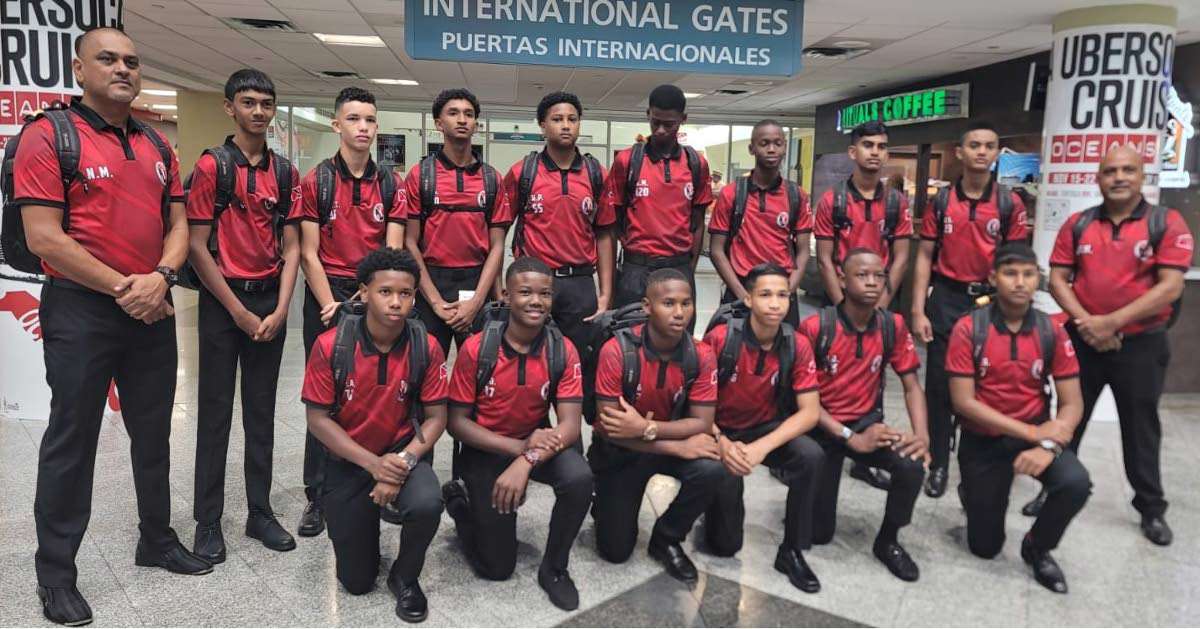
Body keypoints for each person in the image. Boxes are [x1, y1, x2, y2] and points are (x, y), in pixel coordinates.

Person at [15, 27, 211, 626]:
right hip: (82, 310)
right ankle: (56, 574)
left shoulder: (156, 143)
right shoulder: (49, 136)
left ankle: (156, 539)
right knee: (72, 439)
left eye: (132, 60)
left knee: (153, 434)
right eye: (108, 59)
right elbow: (44, 238)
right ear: (80, 69)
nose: (123, 69)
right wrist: (129, 288)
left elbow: (178, 225)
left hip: (152, 306)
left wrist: (161, 277)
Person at [1045, 145, 1191, 546]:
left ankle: (1151, 508)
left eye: (1128, 169)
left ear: (1142, 176)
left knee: (1140, 428)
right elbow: (1057, 279)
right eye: (1110, 171)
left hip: (1141, 345)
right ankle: (1053, 490)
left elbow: (1170, 287)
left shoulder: (1166, 222)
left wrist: (1110, 323)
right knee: (1069, 420)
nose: (1119, 177)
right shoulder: (1078, 224)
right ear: (1098, 178)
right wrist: (1087, 323)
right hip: (1083, 339)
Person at [186, 69, 302, 563]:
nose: (258, 111)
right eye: (249, 102)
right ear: (230, 107)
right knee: (214, 416)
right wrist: (236, 311)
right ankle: (208, 521)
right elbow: (196, 246)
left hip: (268, 302)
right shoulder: (212, 166)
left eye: (266, 103)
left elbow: (293, 247)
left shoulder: (286, 174)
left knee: (261, 413)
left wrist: (280, 308)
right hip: (222, 303)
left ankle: (260, 512)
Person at [301, 247, 447, 623]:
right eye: (385, 292)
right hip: (349, 460)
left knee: (428, 503)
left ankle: (405, 576)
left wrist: (402, 463)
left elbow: (436, 418)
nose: (396, 302)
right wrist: (373, 466)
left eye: (405, 293)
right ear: (364, 293)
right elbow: (318, 420)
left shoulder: (426, 345)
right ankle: (359, 535)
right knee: (357, 582)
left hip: (401, 454)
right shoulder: (331, 345)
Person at [441, 257, 592, 611]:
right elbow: (456, 423)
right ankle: (462, 507)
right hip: (485, 448)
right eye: (525, 292)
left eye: (545, 294)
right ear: (507, 296)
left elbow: (570, 426)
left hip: (535, 446)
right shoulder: (478, 349)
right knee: (497, 568)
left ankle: (555, 569)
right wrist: (517, 448)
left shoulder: (562, 349)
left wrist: (526, 459)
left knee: (579, 477)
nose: (536, 301)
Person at [948, 243, 1090, 594]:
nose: (1020, 282)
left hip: (1034, 434)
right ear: (993, 278)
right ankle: (973, 492)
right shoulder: (968, 328)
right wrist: (1032, 433)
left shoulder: (1052, 331)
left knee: (1075, 482)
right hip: (982, 440)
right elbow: (963, 402)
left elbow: (1072, 403)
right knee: (985, 548)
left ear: (1037, 280)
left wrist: (1048, 443)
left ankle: (1037, 547)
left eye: (1028, 274)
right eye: (1010, 273)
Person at [297, 86, 407, 537]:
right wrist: (331, 305)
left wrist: (368, 297)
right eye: (354, 119)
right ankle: (318, 496)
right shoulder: (316, 181)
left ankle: (382, 485)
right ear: (336, 124)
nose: (363, 127)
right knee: (324, 400)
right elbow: (308, 252)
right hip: (326, 294)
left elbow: (393, 251)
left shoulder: (391, 184)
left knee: (378, 394)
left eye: (369, 119)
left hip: (374, 293)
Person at [910, 121, 1030, 499]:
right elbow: (924, 256)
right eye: (974, 145)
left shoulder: (1010, 204)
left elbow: (1015, 261)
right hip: (946, 299)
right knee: (940, 388)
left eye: (989, 145)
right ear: (960, 152)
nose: (982, 151)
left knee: (984, 388)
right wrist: (917, 309)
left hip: (991, 304)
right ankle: (938, 463)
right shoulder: (942, 201)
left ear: (997, 153)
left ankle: (973, 469)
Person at [799, 249, 929, 582]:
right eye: (862, 275)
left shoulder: (892, 325)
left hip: (867, 423)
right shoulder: (816, 327)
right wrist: (849, 438)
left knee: (911, 464)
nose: (872, 282)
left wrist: (921, 436)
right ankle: (803, 493)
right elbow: (803, 402)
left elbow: (912, 387)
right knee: (818, 534)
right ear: (842, 280)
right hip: (821, 427)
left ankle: (888, 540)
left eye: (879, 276)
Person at [589, 269, 724, 583]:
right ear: (647, 306)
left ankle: (667, 538)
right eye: (668, 303)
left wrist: (646, 428)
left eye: (686, 303)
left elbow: (702, 422)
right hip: (621, 451)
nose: (679, 312)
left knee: (713, 468)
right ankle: (604, 501)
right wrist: (676, 445)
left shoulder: (701, 355)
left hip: (655, 440)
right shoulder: (617, 350)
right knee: (615, 551)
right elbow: (611, 429)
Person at [701, 263, 825, 593]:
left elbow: (810, 412)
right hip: (719, 429)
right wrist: (722, 441)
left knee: (810, 456)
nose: (775, 304)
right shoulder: (721, 339)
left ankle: (792, 550)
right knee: (724, 545)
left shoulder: (797, 344)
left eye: (782, 295)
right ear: (749, 299)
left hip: (765, 429)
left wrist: (760, 448)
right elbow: (695, 405)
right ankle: (710, 504)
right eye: (765, 295)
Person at [501, 91, 615, 423]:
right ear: (542, 125)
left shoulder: (595, 173)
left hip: (580, 285)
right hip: (535, 284)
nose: (565, 125)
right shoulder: (523, 172)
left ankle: (569, 436)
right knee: (530, 362)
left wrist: (605, 292)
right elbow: (498, 231)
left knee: (577, 366)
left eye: (572, 119)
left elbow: (605, 235)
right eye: (557, 119)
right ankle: (531, 430)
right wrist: (499, 288)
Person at [814, 120, 913, 492]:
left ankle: (866, 459)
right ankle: (831, 442)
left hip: (880, 302)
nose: (875, 152)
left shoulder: (896, 203)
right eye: (868, 145)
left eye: (881, 146)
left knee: (875, 375)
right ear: (853, 152)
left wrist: (879, 304)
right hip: (841, 301)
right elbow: (825, 259)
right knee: (831, 373)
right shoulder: (833, 200)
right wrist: (845, 306)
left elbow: (900, 259)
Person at [405, 88, 512, 355]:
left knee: (481, 367)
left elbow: (497, 246)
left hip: (477, 281)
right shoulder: (420, 176)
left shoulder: (492, 179)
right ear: (439, 123)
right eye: (453, 113)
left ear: (476, 124)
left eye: (469, 114)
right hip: (430, 282)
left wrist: (477, 300)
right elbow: (409, 242)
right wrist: (435, 301)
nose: (462, 120)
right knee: (425, 366)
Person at [605, 85, 713, 324]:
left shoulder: (696, 163)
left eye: (670, 124)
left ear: (683, 119)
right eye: (655, 122)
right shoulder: (627, 161)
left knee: (678, 337)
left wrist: (689, 268)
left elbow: (697, 223)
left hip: (679, 267)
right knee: (629, 335)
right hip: (636, 269)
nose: (661, 130)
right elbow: (614, 221)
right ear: (648, 115)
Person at [708, 119, 811, 328]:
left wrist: (787, 291)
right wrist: (743, 296)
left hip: (781, 288)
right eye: (764, 143)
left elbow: (803, 250)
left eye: (777, 143)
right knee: (733, 347)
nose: (771, 149)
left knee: (785, 346)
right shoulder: (732, 193)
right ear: (752, 148)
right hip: (741, 288)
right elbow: (716, 250)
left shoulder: (796, 195)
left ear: (785, 147)